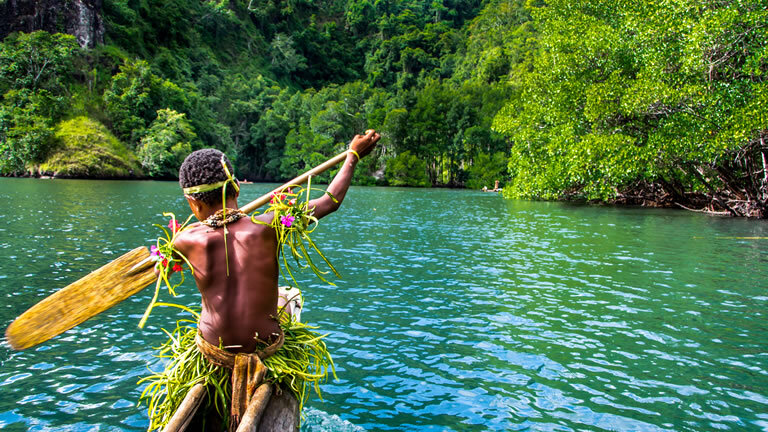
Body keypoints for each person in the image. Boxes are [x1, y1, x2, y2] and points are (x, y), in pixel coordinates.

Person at [141, 130, 380, 431]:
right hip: (266, 351)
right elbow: (329, 201)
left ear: (193, 203)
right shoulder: (269, 226)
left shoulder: (184, 240)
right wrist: (352, 156)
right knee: (288, 299)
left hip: (213, 355)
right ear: (237, 187)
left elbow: (165, 260)